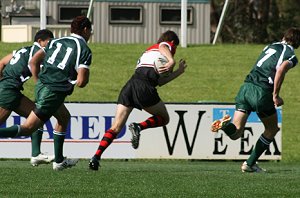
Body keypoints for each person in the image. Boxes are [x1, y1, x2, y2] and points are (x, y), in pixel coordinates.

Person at [0, 15, 93, 171]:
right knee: (29, 127)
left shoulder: (55, 42)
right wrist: (75, 77)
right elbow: (82, 82)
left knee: (63, 117)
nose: (90, 34)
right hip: (50, 91)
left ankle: (57, 160)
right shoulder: (84, 49)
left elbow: (32, 61)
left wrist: (38, 83)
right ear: (85, 30)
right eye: (90, 31)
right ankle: (45, 157)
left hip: (40, 86)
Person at [89, 30, 187, 171]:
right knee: (164, 118)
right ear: (172, 43)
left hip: (130, 85)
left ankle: (95, 157)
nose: (174, 50)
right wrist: (172, 61)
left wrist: (179, 72)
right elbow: (163, 46)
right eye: (175, 46)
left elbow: (161, 81)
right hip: (144, 86)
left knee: (115, 127)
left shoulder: (149, 52)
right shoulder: (164, 46)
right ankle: (139, 127)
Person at [211, 27, 300, 173]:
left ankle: (225, 125)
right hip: (261, 92)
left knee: (236, 133)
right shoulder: (291, 55)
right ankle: (250, 164)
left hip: (245, 88)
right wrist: (275, 95)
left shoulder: (270, 46)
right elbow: (281, 69)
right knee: (272, 129)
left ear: (284, 36)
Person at [0, 29, 54, 166]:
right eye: (49, 41)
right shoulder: (38, 52)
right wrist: (39, 85)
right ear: (40, 41)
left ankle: (36, 154)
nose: (50, 45)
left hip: (11, 89)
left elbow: (1, 63)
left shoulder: (22, 50)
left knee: (38, 116)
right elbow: (34, 65)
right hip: (9, 90)